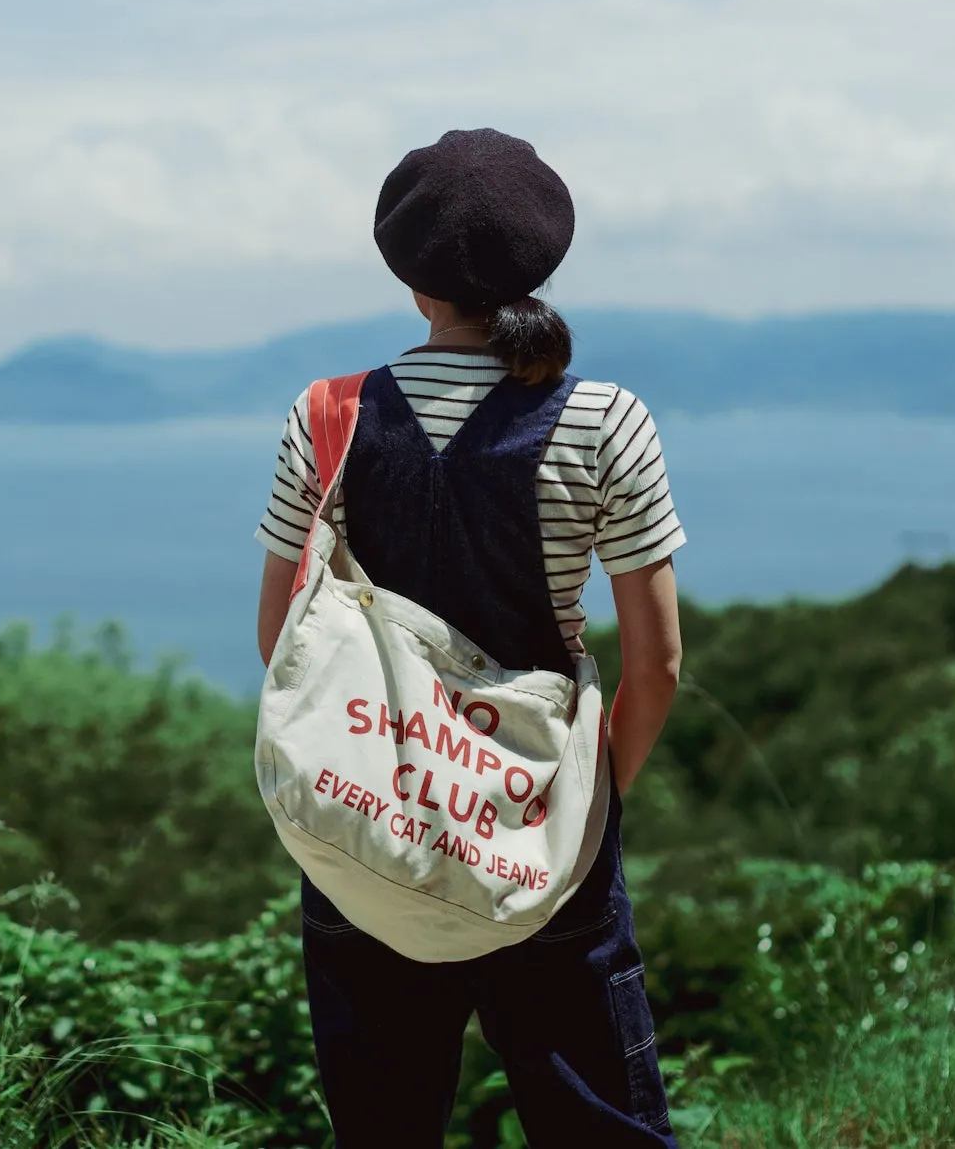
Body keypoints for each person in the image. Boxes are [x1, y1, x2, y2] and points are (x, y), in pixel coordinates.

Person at [252, 129, 684, 1147]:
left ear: (409, 279)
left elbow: (285, 638)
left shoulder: (328, 416)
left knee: (383, 1125)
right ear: (540, 263)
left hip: (367, 815)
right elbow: (655, 663)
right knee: (597, 1123)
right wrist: (588, 799)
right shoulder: (602, 418)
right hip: (545, 821)